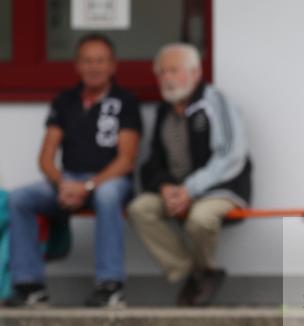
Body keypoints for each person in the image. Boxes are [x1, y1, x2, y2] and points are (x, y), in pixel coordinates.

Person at [5, 33, 141, 307]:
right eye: (87, 61)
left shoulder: (125, 102)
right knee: (19, 198)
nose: (94, 67)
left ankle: (109, 286)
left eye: (100, 61)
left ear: (113, 65)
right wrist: (62, 184)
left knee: (107, 196)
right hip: (68, 181)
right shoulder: (65, 101)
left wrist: (88, 186)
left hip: (110, 181)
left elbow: (126, 159)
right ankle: (29, 285)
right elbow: (45, 158)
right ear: (77, 65)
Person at [128, 43, 251, 306]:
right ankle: (192, 273)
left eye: (174, 70)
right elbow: (153, 161)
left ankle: (204, 272)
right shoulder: (165, 110)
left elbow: (231, 155)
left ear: (195, 73)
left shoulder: (215, 101)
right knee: (140, 209)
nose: (167, 78)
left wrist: (189, 189)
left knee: (200, 219)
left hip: (221, 188)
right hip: (178, 190)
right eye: (162, 73)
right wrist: (164, 187)